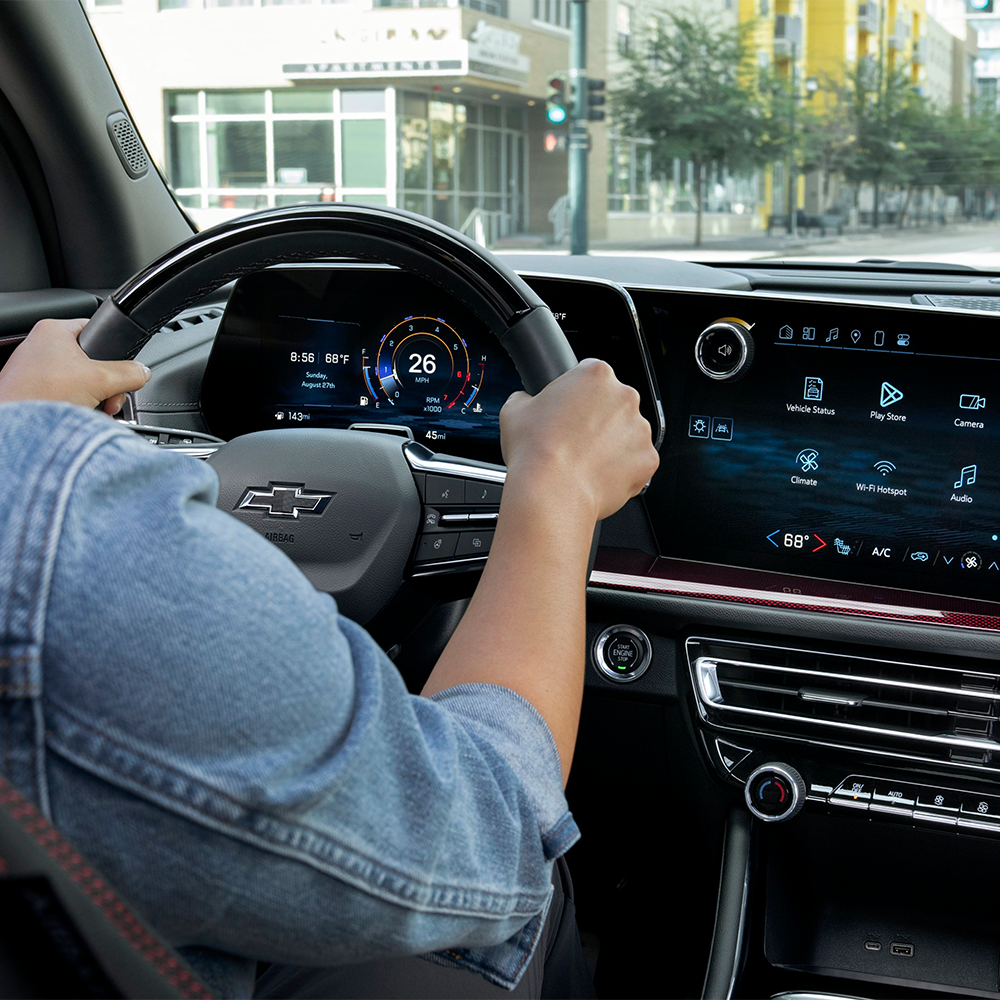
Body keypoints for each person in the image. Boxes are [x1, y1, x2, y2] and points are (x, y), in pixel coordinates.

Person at [0, 318, 659, 999]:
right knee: (531, 895)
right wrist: (557, 482)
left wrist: (18, 429)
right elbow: (495, 831)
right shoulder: (56, 567)